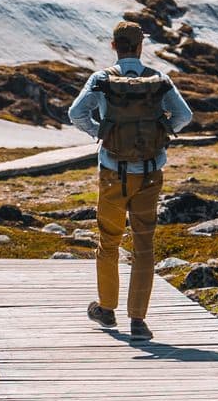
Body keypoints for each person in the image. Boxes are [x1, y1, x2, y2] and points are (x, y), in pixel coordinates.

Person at [68, 21, 194, 339]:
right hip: (150, 173)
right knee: (144, 245)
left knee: (108, 241)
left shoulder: (101, 79)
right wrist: (162, 133)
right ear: (140, 46)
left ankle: (107, 310)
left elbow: (75, 113)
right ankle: (138, 320)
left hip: (112, 171)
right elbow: (184, 116)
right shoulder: (159, 80)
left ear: (114, 46)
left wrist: (102, 131)